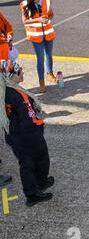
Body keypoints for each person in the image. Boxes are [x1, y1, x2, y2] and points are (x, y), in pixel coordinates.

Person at [0, 60, 54, 206]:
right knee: (37, 160)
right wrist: (39, 125)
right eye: (20, 71)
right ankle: (33, 193)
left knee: (26, 162)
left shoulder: (4, 91)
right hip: (27, 136)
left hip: (13, 134)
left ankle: (40, 183)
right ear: (12, 76)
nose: (23, 72)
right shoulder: (19, 95)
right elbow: (29, 119)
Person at [20, 0, 57, 94]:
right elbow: (25, 21)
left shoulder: (46, 1)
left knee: (49, 55)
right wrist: (38, 20)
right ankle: (41, 82)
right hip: (36, 36)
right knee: (40, 58)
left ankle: (50, 73)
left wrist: (47, 18)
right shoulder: (25, 4)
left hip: (48, 33)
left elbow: (51, 14)